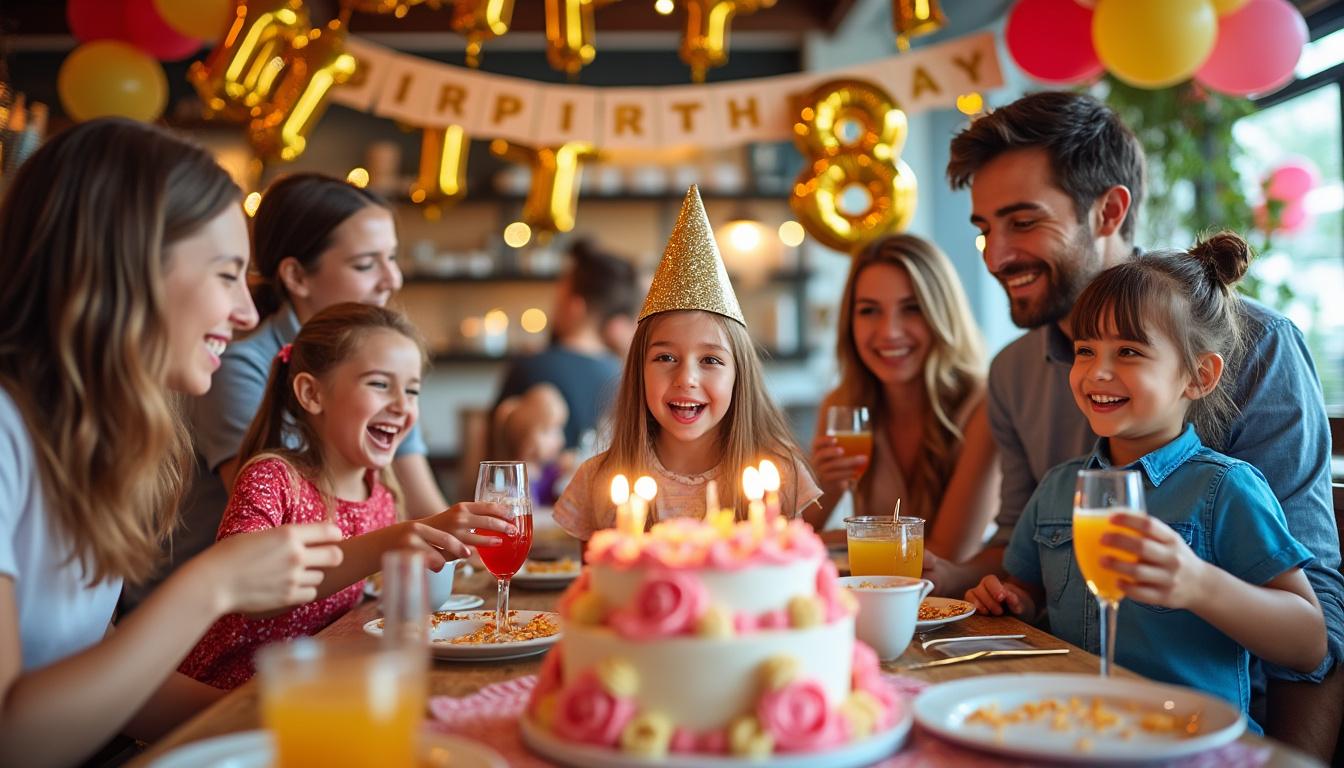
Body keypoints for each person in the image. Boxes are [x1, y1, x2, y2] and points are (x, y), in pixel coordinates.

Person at [945, 90, 1341, 735]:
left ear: (1109, 210)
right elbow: (1022, 550)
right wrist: (953, 577)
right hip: (1071, 711)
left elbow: (1314, 620)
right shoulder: (1014, 373)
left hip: (1211, 726)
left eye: (1022, 221)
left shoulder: (1254, 346)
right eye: (985, 228)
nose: (993, 256)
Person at [0, 118, 346, 766]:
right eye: (226, 274)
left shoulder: (86, 439)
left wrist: (284, 715)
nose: (247, 312)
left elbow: (97, 674)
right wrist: (211, 586)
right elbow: (12, 739)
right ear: (123, 268)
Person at [122, 172, 473, 613]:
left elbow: (422, 505)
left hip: (320, 603)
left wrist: (469, 553)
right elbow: (275, 543)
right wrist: (398, 539)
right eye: (366, 264)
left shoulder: (385, 377)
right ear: (296, 276)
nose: (391, 280)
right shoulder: (239, 364)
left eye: (392, 259)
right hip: (204, 621)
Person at [179, 303, 505, 689]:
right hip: (237, 691)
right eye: (380, 384)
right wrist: (389, 542)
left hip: (324, 681)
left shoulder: (381, 493)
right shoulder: (272, 478)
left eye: (413, 390)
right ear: (311, 393)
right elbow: (244, 587)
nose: (402, 406)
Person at [554, 187, 822, 540]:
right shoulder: (597, 481)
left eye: (710, 359)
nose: (687, 378)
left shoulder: (780, 475)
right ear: (638, 371)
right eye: (665, 357)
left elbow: (789, 578)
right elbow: (592, 586)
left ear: (739, 375)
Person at [810, 234, 999, 561]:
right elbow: (789, 549)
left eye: (911, 309)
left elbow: (947, 556)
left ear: (942, 315)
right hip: (877, 602)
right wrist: (827, 483)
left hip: (960, 608)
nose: (889, 332)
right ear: (849, 322)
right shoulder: (844, 405)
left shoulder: (985, 404)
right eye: (869, 311)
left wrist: (844, 537)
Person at [494, 239, 640, 450]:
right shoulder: (624, 375)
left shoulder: (528, 367)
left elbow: (495, 452)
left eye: (558, 298)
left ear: (575, 307)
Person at [493, 383, 573, 506]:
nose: (561, 440)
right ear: (528, 434)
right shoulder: (515, 477)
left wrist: (569, 474)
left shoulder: (550, 471)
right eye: (549, 431)